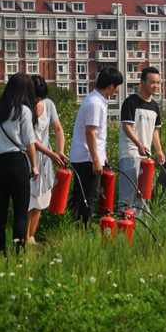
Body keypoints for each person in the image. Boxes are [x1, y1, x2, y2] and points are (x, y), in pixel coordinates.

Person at [0, 73, 39, 255]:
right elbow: (29, 141)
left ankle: (1, 254)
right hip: (17, 163)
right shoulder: (23, 111)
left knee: (0, 215)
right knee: (20, 214)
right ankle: (19, 255)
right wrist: (34, 165)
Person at [69, 66, 122, 226]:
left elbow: (97, 133)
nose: (117, 90)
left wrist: (102, 153)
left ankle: (74, 226)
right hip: (87, 157)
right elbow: (90, 132)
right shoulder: (95, 103)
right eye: (117, 86)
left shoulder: (97, 100)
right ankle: (85, 228)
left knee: (80, 195)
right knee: (89, 196)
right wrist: (96, 160)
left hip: (87, 155)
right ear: (111, 86)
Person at [118, 66, 165, 213]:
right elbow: (127, 127)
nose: (156, 85)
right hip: (130, 153)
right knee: (128, 192)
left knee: (142, 194)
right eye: (152, 82)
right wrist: (139, 144)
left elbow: (155, 131)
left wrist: (159, 150)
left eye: (158, 82)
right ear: (142, 82)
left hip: (146, 157)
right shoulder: (131, 102)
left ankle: (137, 223)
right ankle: (123, 222)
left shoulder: (154, 106)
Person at [27, 74, 67, 243]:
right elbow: (30, 139)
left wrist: (60, 151)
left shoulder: (49, 105)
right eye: (36, 97)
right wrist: (51, 154)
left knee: (41, 199)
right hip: (30, 158)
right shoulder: (24, 108)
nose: (38, 100)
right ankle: (24, 237)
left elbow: (58, 129)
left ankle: (32, 236)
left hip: (45, 161)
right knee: (29, 199)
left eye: (40, 97)